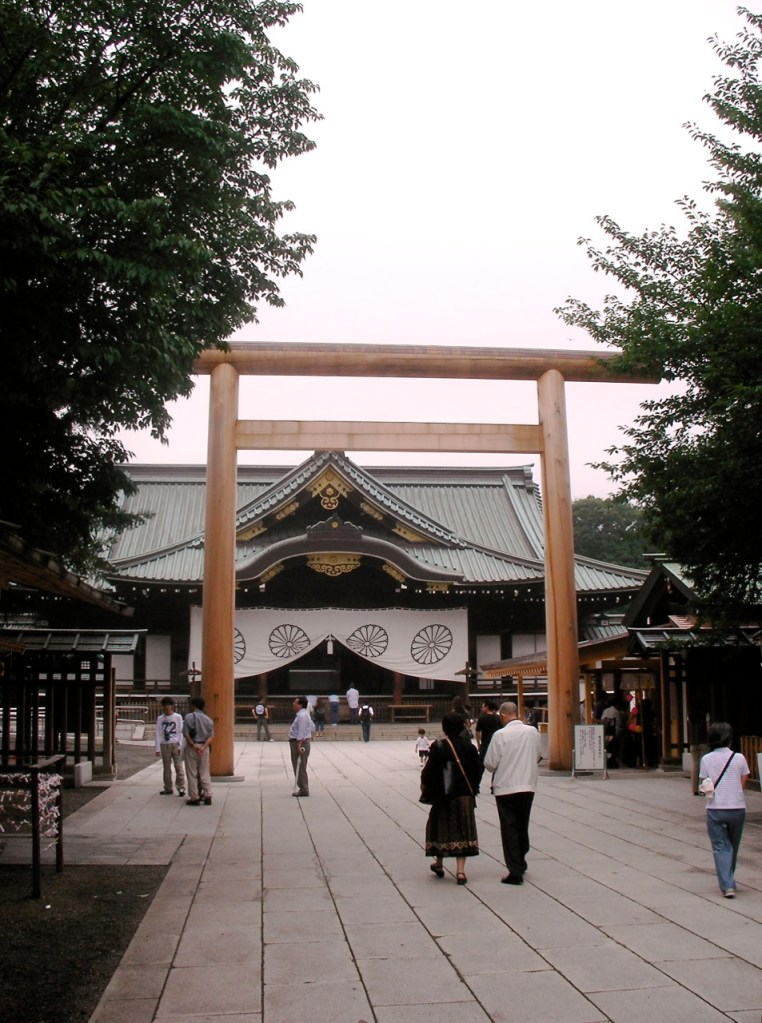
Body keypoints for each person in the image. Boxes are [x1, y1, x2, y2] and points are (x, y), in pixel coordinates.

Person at [420, 712, 483, 885]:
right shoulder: (469, 747)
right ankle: (460, 871)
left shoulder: (438, 746)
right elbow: (478, 770)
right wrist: (473, 787)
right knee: (463, 829)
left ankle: (439, 863)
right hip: (464, 794)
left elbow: (429, 770)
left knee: (440, 826)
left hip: (443, 794)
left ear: (444, 727)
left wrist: (425, 785)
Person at [484, 701, 541, 885]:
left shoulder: (500, 735)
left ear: (502, 715)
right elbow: (539, 755)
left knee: (509, 827)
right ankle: (521, 858)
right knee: (522, 824)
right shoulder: (533, 732)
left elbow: (490, 763)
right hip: (527, 785)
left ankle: (515, 870)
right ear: (517, 713)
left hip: (506, 786)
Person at [699, 722, 750, 897]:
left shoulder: (706, 759)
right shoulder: (739, 758)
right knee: (733, 846)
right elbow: (743, 781)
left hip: (716, 808)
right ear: (729, 739)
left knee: (721, 847)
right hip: (737, 807)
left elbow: (705, 783)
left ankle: (727, 884)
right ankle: (729, 878)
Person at [183, 696, 214, 806]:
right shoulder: (208, 719)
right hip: (204, 748)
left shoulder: (189, 717)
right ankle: (208, 795)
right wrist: (203, 747)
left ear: (194, 705)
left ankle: (194, 797)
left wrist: (193, 744)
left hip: (192, 747)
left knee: (192, 773)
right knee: (204, 772)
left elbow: (186, 733)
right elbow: (211, 737)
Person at [155, 697, 186, 797]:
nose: (167, 707)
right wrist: (157, 748)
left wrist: (180, 745)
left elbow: (180, 731)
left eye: (168, 705)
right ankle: (168, 787)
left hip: (175, 742)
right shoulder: (160, 718)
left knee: (178, 766)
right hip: (164, 743)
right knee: (166, 767)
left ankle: (181, 786)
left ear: (172, 706)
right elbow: (158, 733)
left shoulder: (178, 717)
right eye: (165, 705)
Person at [288, 696, 314, 796]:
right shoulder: (301, 715)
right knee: (297, 765)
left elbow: (301, 731)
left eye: (295, 702)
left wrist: (299, 745)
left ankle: (304, 788)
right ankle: (302, 787)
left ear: (300, 705)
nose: (293, 704)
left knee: (300, 766)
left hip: (300, 743)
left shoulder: (302, 716)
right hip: (297, 742)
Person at [688, 700, 709, 795]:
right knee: (705, 765)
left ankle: (694, 789)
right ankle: (704, 789)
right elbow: (708, 729)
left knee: (695, 764)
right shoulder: (706, 715)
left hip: (693, 742)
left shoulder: (689, 715)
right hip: (704, 741)